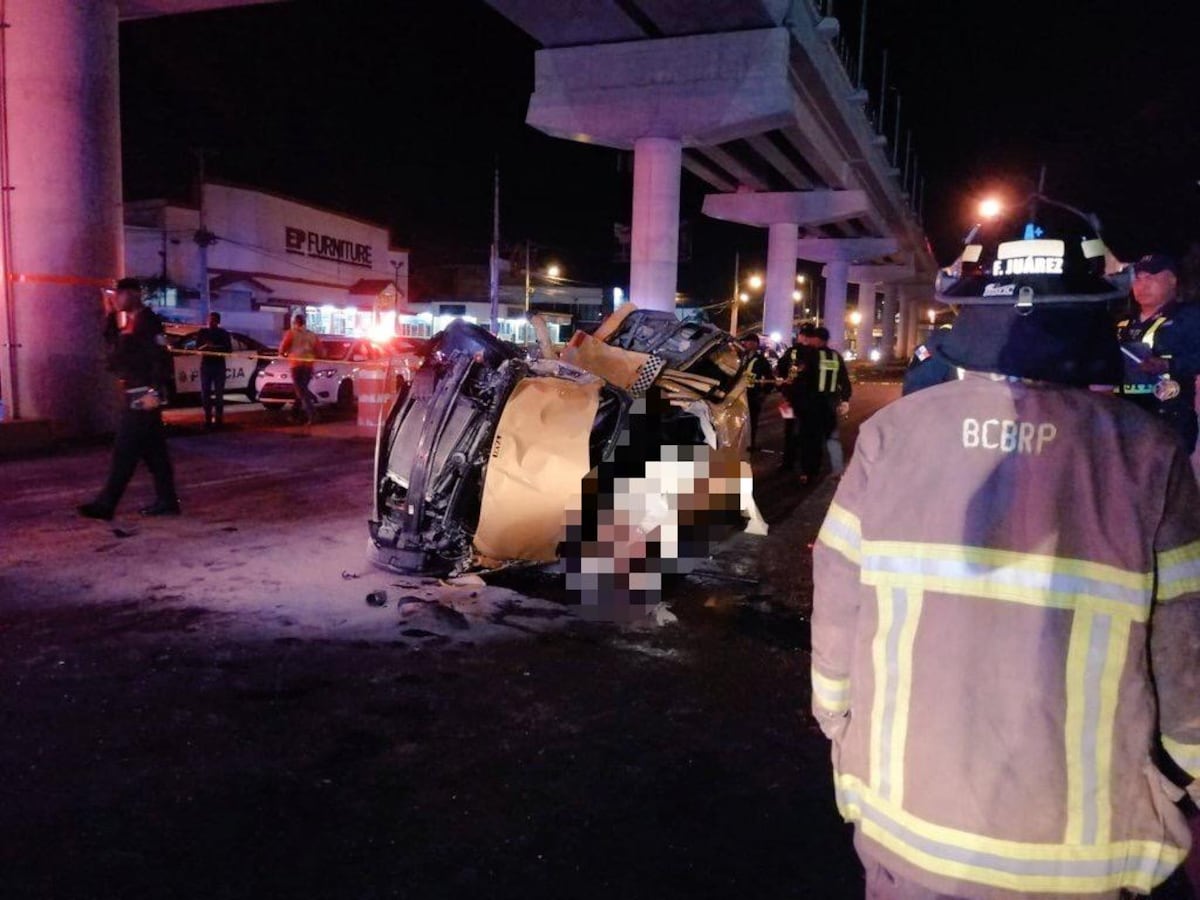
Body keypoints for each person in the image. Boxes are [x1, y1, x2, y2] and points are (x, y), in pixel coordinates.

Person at [812, 195, 1200, 899]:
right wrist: (1175, 781)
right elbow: (1186, 665)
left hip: (904, 832)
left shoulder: (891, 437)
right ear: (1094, 309)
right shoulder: (1149, 455)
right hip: (1081, 855)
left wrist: (844, 737)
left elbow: (836, 619)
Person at [78, 278, 180, 520]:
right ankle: (167, 501)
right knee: (155, 454)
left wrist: (155, 392)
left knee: (124, 451)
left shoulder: (148, 322)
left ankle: (106, 504)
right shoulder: (130, 324)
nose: (116, 299)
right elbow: (114, 354)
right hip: (135, 392)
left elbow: (161, 359)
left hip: (142, 395)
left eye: (120, 294)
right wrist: (110, 316)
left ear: (134, 294)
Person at [1116, 253, 1200, 453]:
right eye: (1138, 278)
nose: (1142, 285)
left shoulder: (1188, 318)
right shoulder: (1122, 322)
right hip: (1124, 414)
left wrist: (1168, 365)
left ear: (1172, 280)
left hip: (1168, 415)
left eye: (1151, 278)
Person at [278, 313, 321, 425]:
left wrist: (285, 354)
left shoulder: (291, 333)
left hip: (296, 365)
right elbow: (320, 351)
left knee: (301, 391)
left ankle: (312, 415)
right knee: (301, 390)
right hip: (308, 366)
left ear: (295, 322)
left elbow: (282, 349)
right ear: (304, 322)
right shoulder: (312, 335)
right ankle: (293, 415)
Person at [195, 311, 232, 429]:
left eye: (214, 320)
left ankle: (219, 419)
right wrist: (205, 346)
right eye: (210, 320)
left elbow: (228, 349)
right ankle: (207, 418)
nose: (211, 322)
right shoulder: (203, 332)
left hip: (218, 366)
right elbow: (197, 348)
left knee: (219, 394)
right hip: (206, 365)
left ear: (218, 322)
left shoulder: (223, 333)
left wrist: (215, 347)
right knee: (205, 393)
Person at [740, 334, 777, 451]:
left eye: (748, 342)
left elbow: (770, 379)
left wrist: (763, 394)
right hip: (740, 395)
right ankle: (741, 444)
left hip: (752, 396)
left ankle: (750, 445)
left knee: (751, 423)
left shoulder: (761, 361)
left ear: (755, 344)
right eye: (745, 342)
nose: (745, 344)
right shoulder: (742, 357)